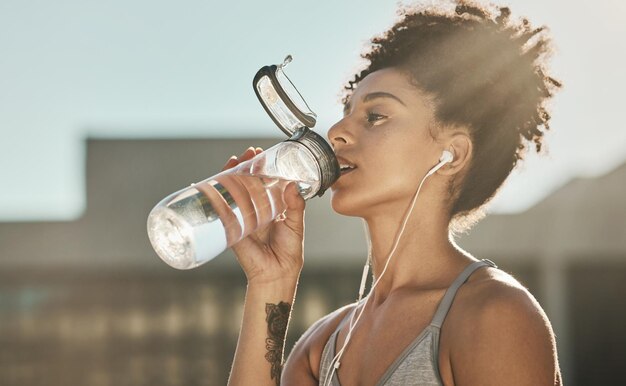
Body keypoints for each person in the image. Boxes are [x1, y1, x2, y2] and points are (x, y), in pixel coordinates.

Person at [226, 1, 562, 385]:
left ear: (451, 153)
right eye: (346, 111)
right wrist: (271, 281)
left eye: (375, 116)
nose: (337, 130)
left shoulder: (494, 314)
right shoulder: (320, 348)